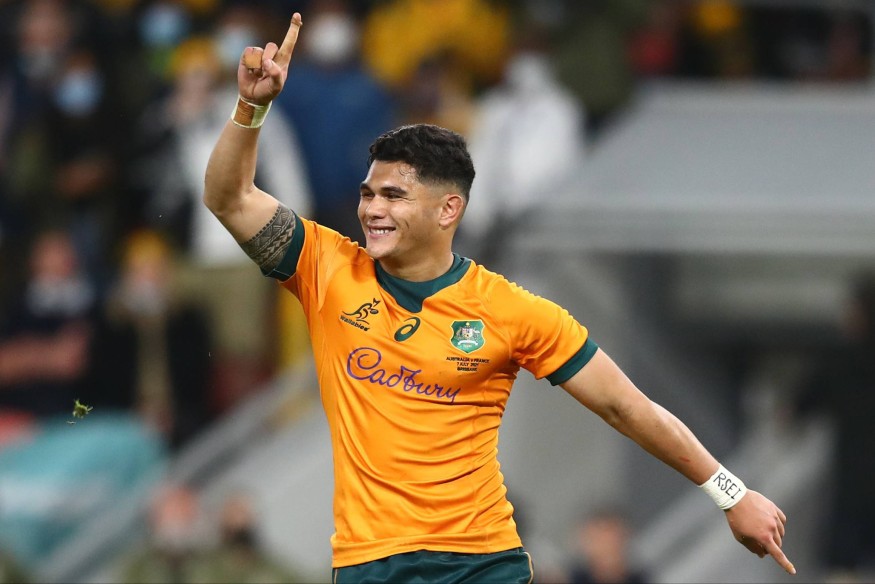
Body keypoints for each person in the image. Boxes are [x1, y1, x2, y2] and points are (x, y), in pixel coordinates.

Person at [202, 12, 796, 582]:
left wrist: (730, 493)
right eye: (367, 193)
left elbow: (626, 406)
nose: (372, 209)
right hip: (369, 564)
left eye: (393, 196)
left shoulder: (510, 310)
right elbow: (229, 198)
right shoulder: (326, 267)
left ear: (449, 209)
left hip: (482, 563)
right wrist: (251, 108)